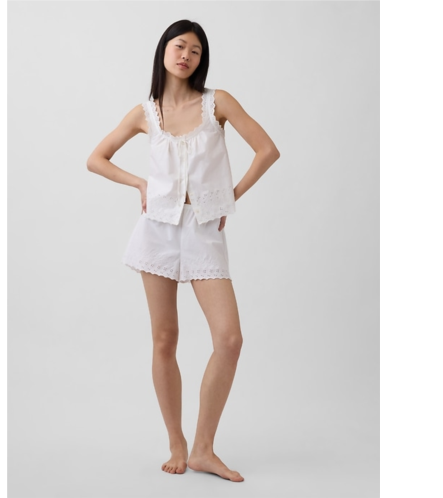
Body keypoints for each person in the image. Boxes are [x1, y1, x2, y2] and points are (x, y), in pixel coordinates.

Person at [87, 19, 280, 482]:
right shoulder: (145, 113)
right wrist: (140, 183)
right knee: (164, 338)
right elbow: (96, 158)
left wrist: (227, 197)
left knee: (229, 340)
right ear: (164, 51)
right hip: (156, 230)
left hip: (203, 231)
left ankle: (203, 449)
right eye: (179, 46)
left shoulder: (218, 103)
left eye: (195, 50)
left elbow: (267, 150)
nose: (186, 56)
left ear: (201, 59)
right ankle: (177, 443)